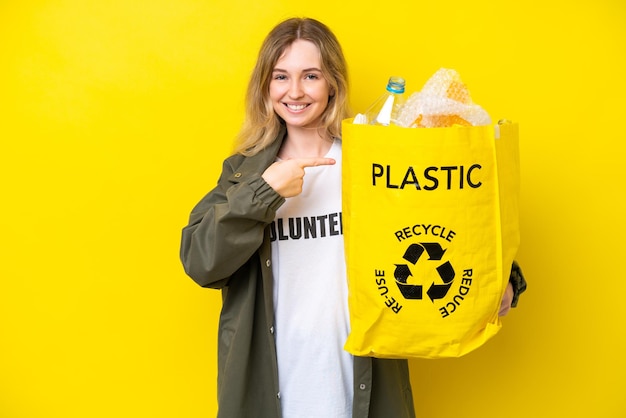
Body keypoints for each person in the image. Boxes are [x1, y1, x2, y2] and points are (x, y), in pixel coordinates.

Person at [180, 17, 526, 418]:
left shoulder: (375, 165)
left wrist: (501, 281)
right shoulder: (244, 173)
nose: (295, 91)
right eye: (280, 77)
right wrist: (263, 193)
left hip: (363, 388)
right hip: (270, 393)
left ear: (332, 84)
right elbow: (200, 262)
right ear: (265, 86)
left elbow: (443, 228)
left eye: (310, 75)